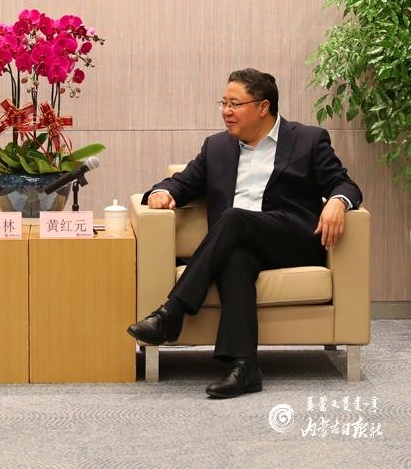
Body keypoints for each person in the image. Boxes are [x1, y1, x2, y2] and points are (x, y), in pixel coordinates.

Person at [127, 68, 362, 398]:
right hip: (240, 241)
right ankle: (244, 366)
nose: (226, 111)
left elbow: (344, 184)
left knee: (234, 218)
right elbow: (182, 182)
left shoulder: (308, 140)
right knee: (236, 257)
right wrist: (162, 193)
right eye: (223, 103)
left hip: (291, 241)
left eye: (235, 104)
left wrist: (338, 201)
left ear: (263, 107)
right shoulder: (217, 147)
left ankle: (172, 313)